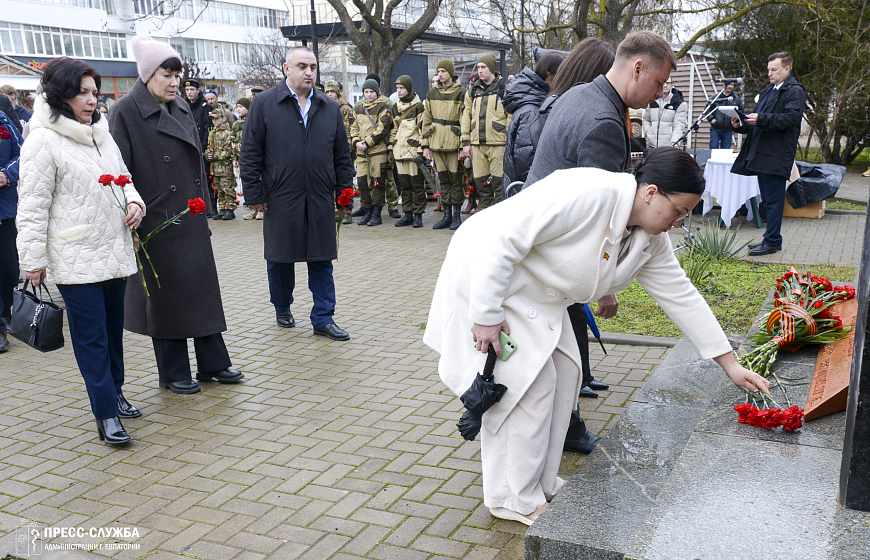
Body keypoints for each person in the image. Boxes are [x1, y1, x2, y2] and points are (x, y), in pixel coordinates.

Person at [424, 147, 771, 526]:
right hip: (488, 277)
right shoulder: (588, 192)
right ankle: (511, 498)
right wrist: (486, 315)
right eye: (679, 212)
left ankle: (539, 482)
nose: (678, 223)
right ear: (651, 193)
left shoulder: (650, 239)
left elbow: (682, 296)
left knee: (567, 374)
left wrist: (730, 364)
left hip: (535, 292)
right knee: (527, 387)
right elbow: (503, 240)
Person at [525, 31, 676, 454]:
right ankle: (561, 429)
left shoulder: (580, 94)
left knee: (556, 350)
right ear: (638, 68)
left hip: (540, 247)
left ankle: (558, 427)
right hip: (552, 258)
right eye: (659, 82)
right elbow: (598, 217)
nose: (660, 93)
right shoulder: (605, 123)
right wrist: (605, 285)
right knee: (562, 352)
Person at [17, 57, 147, 444]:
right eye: (83, 93)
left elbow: (124, 179)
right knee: (91, 338)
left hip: (114, 250)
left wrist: (135, 203)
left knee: (112, 332)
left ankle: (116, 392)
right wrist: (32, 260)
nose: (93, 100)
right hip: (75, 256)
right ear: (61, 95)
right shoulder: (42, 139)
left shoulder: (100, 133)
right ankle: (105, 414)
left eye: (95, 92)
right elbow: (32, 205)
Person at [110, 36, 244, 394]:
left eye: (176, 76)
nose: (174, 83)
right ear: (147, 75)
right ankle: (172, 372)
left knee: (201, 291)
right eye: (166, 75)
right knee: (166, 297)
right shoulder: (125, 111)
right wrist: (132, 211)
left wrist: (204, 207)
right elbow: (119, 170)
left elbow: (195, 163)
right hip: (155, 217)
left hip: (190, 214)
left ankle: (213, 363)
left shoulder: (181, 106)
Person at [240, 46, 354, 341]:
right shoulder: (264, 104)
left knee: (322, 259)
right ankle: (282, 307)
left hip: (319, 196)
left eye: (313, 67)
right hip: (280, 196)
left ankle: (323, 318)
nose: (308, 72)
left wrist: (344, 194)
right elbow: (250, 153)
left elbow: (342, 156)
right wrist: (254, 194)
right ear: (286, 68)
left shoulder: (329, 107)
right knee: (280, 259)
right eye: (302, 66)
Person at [731, 51, 806, 257]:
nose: (769, 73)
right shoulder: (768, 91)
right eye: (768, 70)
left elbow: (791, 119)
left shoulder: (794, 91)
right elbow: (756, 120)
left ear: (787, 69)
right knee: (767, 200)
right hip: (761, 153)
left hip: (776, 154)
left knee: (773, 202)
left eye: (774, 69)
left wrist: (761, 119)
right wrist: (739, 123)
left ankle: (771, 241)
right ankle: (772, 239)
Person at [502, 51, 565, 186]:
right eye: (561, 76)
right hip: (528, 190)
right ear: (548, 76)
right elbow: (526, 161)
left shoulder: (534, 102)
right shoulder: (532, 110)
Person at [460, 55, 510, 211]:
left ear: (491, 68)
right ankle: (486, 215)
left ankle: (502, 216)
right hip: (477, 144)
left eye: (484, 67)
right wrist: (465, 143)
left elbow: (510, 116)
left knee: (499, 184)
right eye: (479, 67)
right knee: (481, 184)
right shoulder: (472, 91)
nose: (480, 71)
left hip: (498, 143)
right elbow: (466, 116)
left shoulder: (503, 89)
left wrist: (508, 141)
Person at [422, 59, 467, 230]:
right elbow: (426, 120)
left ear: (450, 73)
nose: (440, 74)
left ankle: (456, 215)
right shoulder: (432, 94)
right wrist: (425, 145)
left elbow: (465, 120)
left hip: (453, 143)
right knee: (443, 180)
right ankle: (446, 215)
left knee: (456, 180)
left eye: (443, 71)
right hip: (436, 142)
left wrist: (463, 144)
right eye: (438, 71)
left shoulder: (461, 93)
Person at [354, 74, 401, 219]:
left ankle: (377, 213)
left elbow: (383, 128)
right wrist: (356, 142)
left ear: (377, 92)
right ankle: (367, 211)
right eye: (366, 92)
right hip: (361, 152)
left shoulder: (384, 107)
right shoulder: (359, 108)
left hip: (377, 151)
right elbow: (353, 128)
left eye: (371, 92)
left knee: (378, 183)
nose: (369, 95)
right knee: (362, 182)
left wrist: (367, 142)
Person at [390, 75, 426, 228]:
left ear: (409, 88)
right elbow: (393, 130)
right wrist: (391, 148)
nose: (399, 91)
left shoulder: (419, 107)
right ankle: (407, 214)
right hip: (399, 152)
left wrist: (420, 150)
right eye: (397, 88)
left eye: (402, 88)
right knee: (404, 186)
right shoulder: (395, 107)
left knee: (417, 186)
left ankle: (418, 216)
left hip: (413, 152)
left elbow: (423, 130)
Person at [0, 107, 21, 353]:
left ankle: (5, 312)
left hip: (4, 208)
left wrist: (7, 174)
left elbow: (22, 153)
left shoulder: (3, 119)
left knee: (9, 268)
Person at [325, 80, 356, 223]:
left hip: (345, 151)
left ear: (338, 93)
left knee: (345, 181)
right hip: (330, 151)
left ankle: (346, 212)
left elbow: (351, 130)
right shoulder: (324, 108)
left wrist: (351, 150)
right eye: (327, 92)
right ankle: (334, 210)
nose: (330, 94)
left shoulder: (346, 109)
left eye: (332, 91)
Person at [207, 106, 238, 220]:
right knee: (219, 188)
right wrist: (208, 154)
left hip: (225, 167)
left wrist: (216, 156)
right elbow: (209, 146)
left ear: (223, 119)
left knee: (227, 188)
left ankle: (230, 209)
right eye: (212, 119)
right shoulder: (212, 132)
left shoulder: (227, 133)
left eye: (217, 118)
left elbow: (229, 151)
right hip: (215, 167)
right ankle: (223, 208)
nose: (214, 121)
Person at [642, 78, 688, 148]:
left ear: (672, 85)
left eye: (668, 83)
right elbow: (646, 119)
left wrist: (674, 142)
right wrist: (648, 133)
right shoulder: (651, 100)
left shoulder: (679, 103)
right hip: (652, 146)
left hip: (668, 146)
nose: (665, 85)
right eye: (663, 83)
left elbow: (679, 125)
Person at [707, 80, 743, 149]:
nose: (730, 86)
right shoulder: (715, 98)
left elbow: (741, 110)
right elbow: (707, 109)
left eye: (732, 85)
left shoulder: (736, 99)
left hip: (728, 129)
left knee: (725, 150)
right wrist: (711, 119)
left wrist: (735, 120)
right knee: (713, 148)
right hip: (716, 128)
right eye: (728, 84)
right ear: (724, 85)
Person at [183, 78, 212, 158]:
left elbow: (208, 129)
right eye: (187, 90)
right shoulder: (185, 106)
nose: (189, 92)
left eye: (192, 89)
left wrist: (203, 149)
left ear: (198, 90)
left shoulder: (206, 107)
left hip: (201, 147)